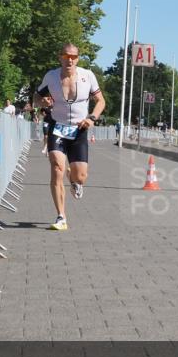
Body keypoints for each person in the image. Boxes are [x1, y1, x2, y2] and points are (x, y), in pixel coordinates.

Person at [36, 42, 105, 231]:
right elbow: (36, 97)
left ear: (78, 59)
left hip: (79, 130)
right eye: (66, 56)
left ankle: (74, 180)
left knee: (81, 176)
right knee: (57, 167)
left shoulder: (88, 76)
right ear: (60, 57)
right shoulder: (50, 77)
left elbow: (101, 101)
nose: (70, 60)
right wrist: (42, 101)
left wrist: (92, 118)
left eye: (73, 57)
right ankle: (61, 217)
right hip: (57, 127)